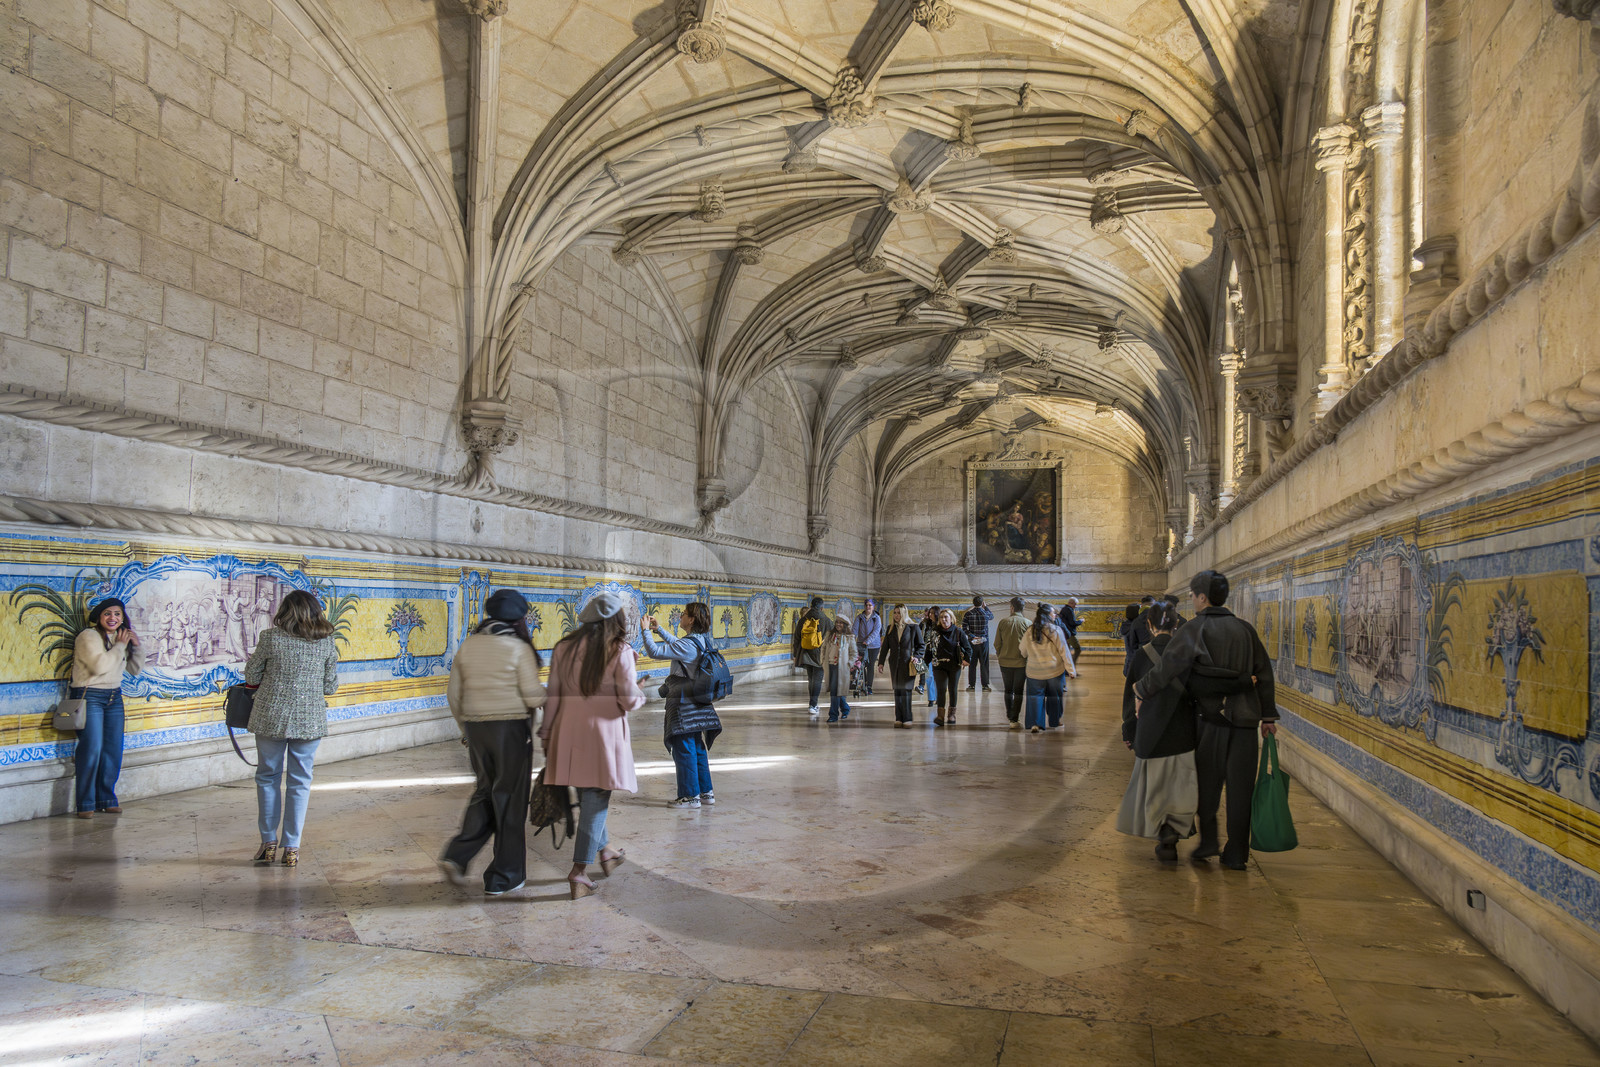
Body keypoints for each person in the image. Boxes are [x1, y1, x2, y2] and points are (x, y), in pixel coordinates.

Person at [1133, 569, 1278, 871]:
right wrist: (1267, 715)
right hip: (1246, 723)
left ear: (1202, 597)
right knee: (1241, 790)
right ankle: (1237, 852)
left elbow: (1167, 668)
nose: (1192, 601)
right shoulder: (1245, 629)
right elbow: (1263, 672)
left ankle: (1209, 841)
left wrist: (1142, 689)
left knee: (1207, 786)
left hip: (1212, 720)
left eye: (1193, 596)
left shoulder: (1195, 628)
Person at [439, 588, 546, 894]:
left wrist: (466, 729)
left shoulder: (469, 645)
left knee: (485, 792)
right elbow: (531, 695)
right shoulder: (517, 647)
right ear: (520, 618)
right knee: (510, 800)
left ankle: (457, 856)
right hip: (510, 730)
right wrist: (554, 696)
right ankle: (505, 876)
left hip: (476, 730)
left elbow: (453, 694)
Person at [539, 592, 645, 899]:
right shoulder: (619, 649)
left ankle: (607, 852)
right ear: (617, 621)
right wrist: (639, 690)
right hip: (604, 738)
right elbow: (627, 699)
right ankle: (579, 872)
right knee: (596, 799)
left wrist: (546, 734)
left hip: (567, 734)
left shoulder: (564, 648)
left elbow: (553, 696)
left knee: (589, 798)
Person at [244, 590, 340, 868]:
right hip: (309, 721)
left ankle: (268, 843)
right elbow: (329, 687)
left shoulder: (271, 638)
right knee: (300, 782)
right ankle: (292, 848)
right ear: (316, 612)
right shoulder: (326, 643)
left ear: (285, 611)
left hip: (271, 717)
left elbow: (251, 675)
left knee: (267, 777)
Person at [1116, 603, 1198, 862]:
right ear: (1176, 626)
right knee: (1179, 784)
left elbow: (1130, 698)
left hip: (1150, 730)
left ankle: (1161, 832)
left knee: (1155, 784)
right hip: (1182, 729)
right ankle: (1173, 832)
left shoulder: (1142, 655)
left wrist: (1129, 730)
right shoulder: (1188, 654)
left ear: (1149, 626)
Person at [68, 597, 144, 818]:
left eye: (117, 614)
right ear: (99, 617)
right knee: (91, 749)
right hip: (89, 696)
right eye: (107, 614)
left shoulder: (120, 638)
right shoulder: (88, 636)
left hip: (114, 697)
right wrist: (120, 646)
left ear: (123, 618)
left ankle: (107, 798)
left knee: (112, 750)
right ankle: (86, 804)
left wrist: (136, 646)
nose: (113, 618)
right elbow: (100, 666)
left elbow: (135, 669)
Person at [642, 601, 721, 809]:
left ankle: (689, 796)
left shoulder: (687, 645)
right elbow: (679, 645)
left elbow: (654, 652)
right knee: (697, 746)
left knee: (683, 746)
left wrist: (645, 631)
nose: (681, 617)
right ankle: (705, 792)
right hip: (699, 702)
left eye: (684, 614)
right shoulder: (701, 641)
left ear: (691, 620)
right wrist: (659, 630)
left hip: (683, 702)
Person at [1020, 604, 1075, 733]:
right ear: (1047, 615)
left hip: (1034, 671)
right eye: (1053, 613)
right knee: (1054, 698)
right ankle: (1055, 721)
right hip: (1054, 671)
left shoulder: (1030, 631)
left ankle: (1035, 723)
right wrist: (1071, 670)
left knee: (1035, 698)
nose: (1055, 615)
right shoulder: (1055, 630)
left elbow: (1022, 651)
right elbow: (1064, 652)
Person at [877, 604, 925, 727]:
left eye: (899, 613)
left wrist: (917, 656)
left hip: (908, 663)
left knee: (906, 690)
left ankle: (907, 718)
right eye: (895, 613)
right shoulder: (890, 628)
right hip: (894, 664)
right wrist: (881, 662)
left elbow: (921, 645)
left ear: (904, 613)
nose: (896, 615)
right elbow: (885, 648)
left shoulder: (913, 627)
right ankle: (898, 718)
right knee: (897, 690)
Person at [926, 608, 972, 726]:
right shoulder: (935, 631)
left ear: (951, 618)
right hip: (939, 665)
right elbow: (929, 648)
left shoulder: (958, 632)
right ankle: (940, 715)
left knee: (952, 689)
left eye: (946, 617)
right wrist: (924, 662)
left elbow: (967, 648)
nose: (943, 619)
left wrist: (967, 659)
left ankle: (951, 714)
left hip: (954, 665)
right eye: (941, 617)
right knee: (941, 689)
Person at [994, 597, 1030, 730]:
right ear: (1023, 608)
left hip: (1005, 662)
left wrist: (1001, 655)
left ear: (1012, 608)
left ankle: (1010, 715)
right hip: (1021, 663)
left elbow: (997, 643)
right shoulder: (1028, 623)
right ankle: (1015, 718)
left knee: (1008, 689)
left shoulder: (1003, 622)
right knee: (1019, 691)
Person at [790, 597, 828, 716]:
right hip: (819, 655)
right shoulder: (825, 620)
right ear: (821, 607)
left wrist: (796, 655)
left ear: (811, 606)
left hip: (805, 653)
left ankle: (812, 704)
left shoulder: (803, 620)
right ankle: (813, 705)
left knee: (811, 679)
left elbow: (796, 638)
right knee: (817, 680)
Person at [821, 616, 859, 723]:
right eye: (837, 622)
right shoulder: (830, 635)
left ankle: (833, 715)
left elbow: (854, 653)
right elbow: (823, 648)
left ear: (845, 625)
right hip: (830, 666)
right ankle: (845, 708)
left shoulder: (849, 637)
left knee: (835, 691)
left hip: (842, 668)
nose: (838, 624)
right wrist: (822, 660)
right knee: (837, 690)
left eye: (841, 623)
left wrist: (849, 664)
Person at [962, 596, 994, 691]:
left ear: (973, 603)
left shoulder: (968, 614)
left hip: (972, 642)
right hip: (984, 641)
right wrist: (986, 607)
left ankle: (971, 685)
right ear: (982, 603)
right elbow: (992, 616)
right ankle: (985, 686)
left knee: (972, 664)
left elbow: (964, 628)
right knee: (984, 663)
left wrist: (972, 636)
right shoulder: (986, 613)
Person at [852, 600, 882, 695]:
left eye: (870, 605)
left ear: (873, 607)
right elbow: (854, 630)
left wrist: (867, 641)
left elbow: (876, 631)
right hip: (861, 645)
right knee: (861, 665)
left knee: (870, 665)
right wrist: (852, 641)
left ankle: (869, 686)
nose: (868, 607)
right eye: (866, 605)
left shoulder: (876, 618)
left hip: (874, 646)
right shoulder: (859, 618)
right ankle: (863, 683)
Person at [919, 606, 942, 706]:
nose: (930, 615)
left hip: (939, 654)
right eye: (929, 613)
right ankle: (931, 699)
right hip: (928, 653)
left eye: (932, 613)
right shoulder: (925, 624)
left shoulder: (941, 624)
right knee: (929, 676)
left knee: (939, 678)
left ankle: (938, 697)